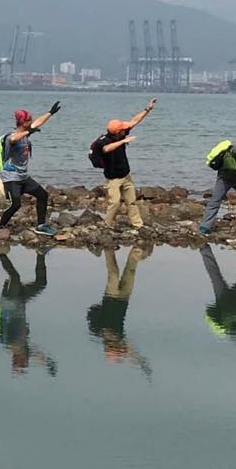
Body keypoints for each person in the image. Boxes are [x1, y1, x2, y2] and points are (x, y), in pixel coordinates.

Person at [86, 245, 153, 378]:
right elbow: (132, 353)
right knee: (131, 270)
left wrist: (138, 362)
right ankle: (138, 250)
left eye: (116, 348)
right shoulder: (118, 337)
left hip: (111, 296)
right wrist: (141, 364)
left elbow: (127, 350)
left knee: (113, 272)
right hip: (124, 298)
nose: (119, 346)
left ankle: (108, 248)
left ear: (110, 346)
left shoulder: (102, 332)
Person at [0, 101, 62, 236]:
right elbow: (13, 139)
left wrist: (50, 113)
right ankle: (1, 226)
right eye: (29, 121)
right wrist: (29, 130)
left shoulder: (26, 132)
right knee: (15, 205)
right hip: (11, 178)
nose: (32, 122)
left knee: (43, 195)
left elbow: (37, 123)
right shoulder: (11, 136)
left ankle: (41, 225)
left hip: (23, 177)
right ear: (23, 123)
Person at [0, 250, 57, 376]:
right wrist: (48, 364)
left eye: (25, 361)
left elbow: (2, 322)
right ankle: (40, 253)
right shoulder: (23, 349)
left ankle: (0, 251)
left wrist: (16, 368)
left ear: (18, 357)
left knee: (15, 276)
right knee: (41, 283)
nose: (28, 359)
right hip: (21, 301)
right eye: (27, 361)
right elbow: (37, 355)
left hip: (10, 299)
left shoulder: (9, 341)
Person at [97, 98, 156, 231]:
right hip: (113, 179)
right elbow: (106, 149)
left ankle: (138, 224)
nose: (126, 129)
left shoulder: (121, 134)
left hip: (126, 176)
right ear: (117, 132)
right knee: (115, 202)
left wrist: (148, 109)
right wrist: (123, 142)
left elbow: (134, 121)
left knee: (132, 202)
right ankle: (107, 225)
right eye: (123, 129)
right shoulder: (104, 141)